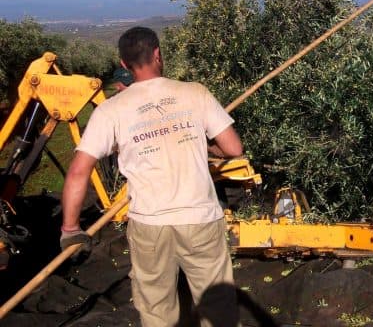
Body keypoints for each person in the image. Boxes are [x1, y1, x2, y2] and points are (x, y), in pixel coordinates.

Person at [59, 26, 243, 326]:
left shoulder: (110, 110)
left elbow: (79, 171)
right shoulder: (195, 92)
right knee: (218, 309)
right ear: (158, 54)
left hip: (149, 225)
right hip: (200, 218)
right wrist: (207, 145)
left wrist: (70, 229)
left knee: (157, 312)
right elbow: (234, 148)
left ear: (124, 64)